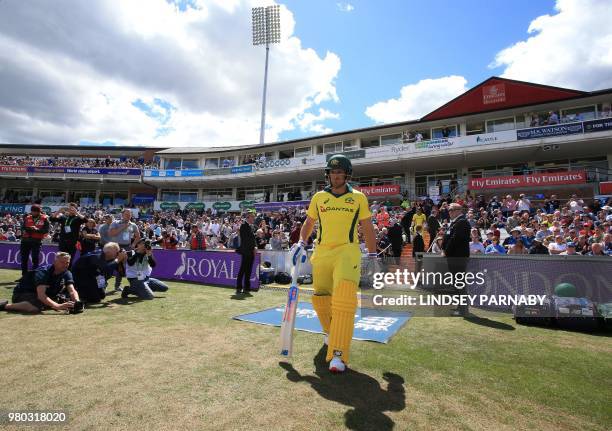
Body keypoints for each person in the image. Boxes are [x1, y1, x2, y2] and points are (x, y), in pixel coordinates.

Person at [291, 154, 377, 373]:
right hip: (322, 253)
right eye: (333, 172)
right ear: (327, 174)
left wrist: (374, 255)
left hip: (347, 253)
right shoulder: (319, 197)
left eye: (340, 172)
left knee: (344, 301)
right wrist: (301, 242)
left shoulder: (358, 198)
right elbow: (309, 222)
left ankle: (338, 355)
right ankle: (331, 332)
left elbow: (367, 227)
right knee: (320, 298)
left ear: (347, 174)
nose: (336, 176)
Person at [0, 252, 79, 313]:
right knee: (35, 308)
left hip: (42, 294)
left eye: (67, 263)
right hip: (23, 293)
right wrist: (57, 306)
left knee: (61, 299)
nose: (65, 265)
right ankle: (5, 305)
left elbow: (72, 290)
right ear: (55, 262)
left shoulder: (67, 272)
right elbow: (41, 295)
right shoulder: (43, 272)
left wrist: (77, 302)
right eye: (62, 262)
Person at [442, 203, 471, 316]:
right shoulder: (455, 222)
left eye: (451, 210)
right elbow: (449, 237)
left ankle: (463, 310)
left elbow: (455, 239)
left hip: (458, 257)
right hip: (454, 257)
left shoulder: (462, 222)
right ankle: (460, 307)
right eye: (449, 210)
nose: (449, 212)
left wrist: (446, 251)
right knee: (457, 283)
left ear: (459, 210)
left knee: (459, 283)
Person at [109, 209, 141, 292]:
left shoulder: (133, 225)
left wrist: (133, 244)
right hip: (115, 247)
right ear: (122, 215)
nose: (128, 216)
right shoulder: (115, 223)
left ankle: (117, 286)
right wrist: (122, 227)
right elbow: (111, 234)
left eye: (129, 214)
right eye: (126, 214)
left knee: (123, 267)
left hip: (126, 247)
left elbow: (138, 236)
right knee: (111, 265)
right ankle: (103, 284)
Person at [50, 203, 86, 269]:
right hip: (63, 241)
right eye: (69, 208)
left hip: (72, 242)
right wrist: (59, 211)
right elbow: (52, 219)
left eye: (72, 208)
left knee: (70, 259)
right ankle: (59, 273)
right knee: (60, 258)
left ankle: (67, 274)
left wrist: (76, 212)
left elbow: (85, 220)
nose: (70, 210)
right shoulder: (64, 217)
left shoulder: (77, 218)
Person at [19, 204, 49, 277]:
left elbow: (46, 230)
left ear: (39, 211)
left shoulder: (44, 218)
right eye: (32, 211)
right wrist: (26, 230)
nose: (33, 213)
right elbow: (23, 227)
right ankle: (24, 276)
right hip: (25, 241)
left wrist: (37, 229)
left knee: (35, 258)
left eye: (35, 211)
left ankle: (33, 276)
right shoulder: (27, 218)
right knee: (24, 259)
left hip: (36, 241)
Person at [236, 211, 257, 295]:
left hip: (250, 252)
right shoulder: (244, 225)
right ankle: (239, 287)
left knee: (248, 270)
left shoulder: (250, 226)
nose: (254, 218)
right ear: (248, 217)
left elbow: (253, 239)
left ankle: (247, 288)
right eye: (252, 217)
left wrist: (255, 247)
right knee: (243, 270)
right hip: (246, 252)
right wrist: (253, 247)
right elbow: (246, 240)